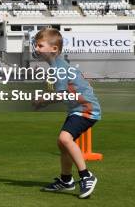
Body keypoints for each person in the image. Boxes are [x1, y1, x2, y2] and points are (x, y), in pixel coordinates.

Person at [32, 28, 101, 199]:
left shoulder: (59, 68)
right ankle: (66, 180)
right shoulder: (58, 66)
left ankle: (86, 176)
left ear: (54, 49)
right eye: (36, 45)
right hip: (77, 110)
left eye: (40, 45)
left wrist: (43, 101)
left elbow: (63, 94)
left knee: (65, 139)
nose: (36, 48)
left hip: (86, 110)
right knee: (62, 144)